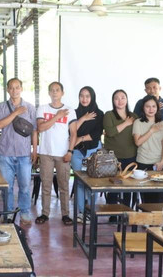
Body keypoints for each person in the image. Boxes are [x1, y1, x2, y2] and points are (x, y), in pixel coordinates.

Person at [0, 78, 37, 225]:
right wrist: (15, 113)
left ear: (21, 88)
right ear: (7, 90)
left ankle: (24, 212)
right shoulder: (1, 107)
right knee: (7, 186)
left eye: (17, 87)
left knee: (25, 185)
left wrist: (35, 150)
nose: (14, 90)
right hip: (5, 152)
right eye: (11, 88)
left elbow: (34, 131)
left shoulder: (30, 108)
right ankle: (8, 212)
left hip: (24, 153)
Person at [35, 81, 73, 225]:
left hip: (63, 153)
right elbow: (41, 128)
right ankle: (45, 213)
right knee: (46, 184)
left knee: (64, 185)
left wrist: (70, 150)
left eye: (57, 90)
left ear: (62, 93)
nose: (55, 92)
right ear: (49, 93)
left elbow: (73, 133)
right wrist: (57, 116)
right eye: (52, 90)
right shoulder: (42, 108)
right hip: (46, 152)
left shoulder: (70, 110)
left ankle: (65, 214)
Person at [68, 86, 103, 221]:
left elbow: (97, 134)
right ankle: (81, 212)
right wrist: (83, 118)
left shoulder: (99, 114)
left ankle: (90, 211)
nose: (84, 99)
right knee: (80, 182)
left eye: (87, 96)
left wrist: (80, 138)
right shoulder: (74, 113)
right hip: (77, 152)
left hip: (92, 150)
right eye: (81, 96)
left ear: (92, 97)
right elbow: (71, 130)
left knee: (92, 181)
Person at [103, 89, 138, 209]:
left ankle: (126, 209)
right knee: (113, 185)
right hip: (113, 156)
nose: (120, 100)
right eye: (116, 98)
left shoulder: (133, 116)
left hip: (131, 155)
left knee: (128, 185)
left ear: (127, 99)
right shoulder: (109, 115)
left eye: (123, 97)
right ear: (113, 101)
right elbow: (110, 132)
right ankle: (112, 212)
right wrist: (126, 123)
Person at [133, 95, 163, 203]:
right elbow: (138, 142)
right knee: (147, 200)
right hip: (143, 163)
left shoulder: (162, 124)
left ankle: (159, 220)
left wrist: (162, 161)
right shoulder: (138, 122)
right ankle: (147, 220)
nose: (151, 109)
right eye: (147, 106)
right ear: (143, 108)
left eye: (153, 106)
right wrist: (151, 130)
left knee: (160, 199)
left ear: (157, 108)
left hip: (159, 164)